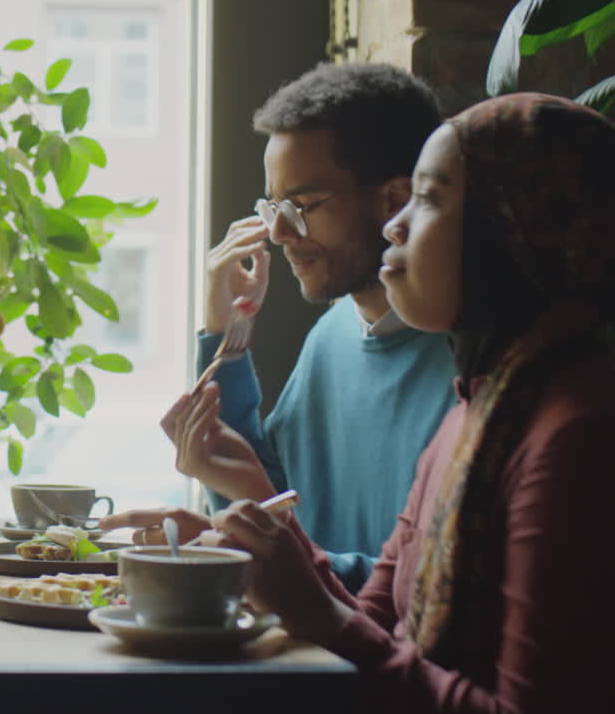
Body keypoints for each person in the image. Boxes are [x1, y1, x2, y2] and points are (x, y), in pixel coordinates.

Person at [117, 93, 615, 712]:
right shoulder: (478, 406)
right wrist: (247, 550)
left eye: (428, 201)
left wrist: (304, 595)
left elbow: (349, 630)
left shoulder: (576, 436)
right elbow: (374, 620)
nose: (395, 225)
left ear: (512, 231)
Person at [161, 63, 458, 590]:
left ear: (393, 200)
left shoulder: (474, 364)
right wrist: (225, 332)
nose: (277, 232)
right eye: (273, 206)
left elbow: (426, 593)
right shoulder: (334, 335)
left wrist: (246, 544)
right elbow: (277, 501)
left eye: (300, 205)